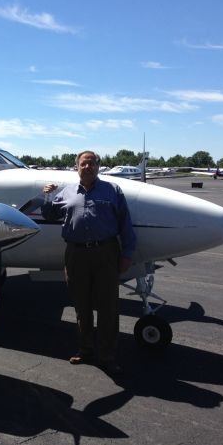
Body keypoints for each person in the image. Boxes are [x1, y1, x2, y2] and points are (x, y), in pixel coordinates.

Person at [41, 151, 136, 374]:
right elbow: (50, 215)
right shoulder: (66, 191)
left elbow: (125, 224)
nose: (88, 167)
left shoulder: (112, 191)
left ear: (98, 167)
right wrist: (46, 196)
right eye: (84, 164)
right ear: (77, 167)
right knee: (81, 306)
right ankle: (85, 350)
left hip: (106, 253)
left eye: (92, 163)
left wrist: (127, 254)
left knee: (108, 307)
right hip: (76, 254)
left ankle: (107, 355)